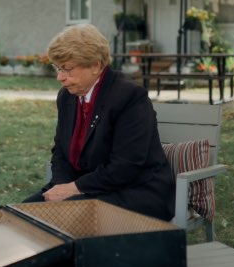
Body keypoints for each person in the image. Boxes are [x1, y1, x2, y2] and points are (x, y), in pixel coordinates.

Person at [24, 23, 175, 221]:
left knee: (60, 219)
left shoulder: (129, 96)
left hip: (135, 192)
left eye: (68, 69)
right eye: (58, 68)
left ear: (95, 65)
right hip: (87, 189)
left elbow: (125, 167)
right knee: (23, 213)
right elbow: (61, 151)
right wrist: (61, 186)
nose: (60, 77)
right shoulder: (67, 96)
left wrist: (74, 188)